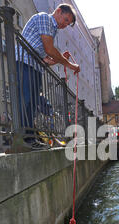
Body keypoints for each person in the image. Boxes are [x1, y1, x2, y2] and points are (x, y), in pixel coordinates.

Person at [16, 4, 80, 148]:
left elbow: (46, 59)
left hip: (35, 66)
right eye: (65, 19)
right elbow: (50, 49)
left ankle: (30, 139)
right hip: (24, 63)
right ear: (58, 11)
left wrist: (59, 58)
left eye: (68, 23)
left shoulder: (52, 30)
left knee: (32, 103)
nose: (65, 24)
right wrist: (69, 64)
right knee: (26, 100)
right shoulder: (45, 18)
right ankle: (23, 139)